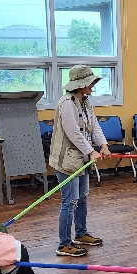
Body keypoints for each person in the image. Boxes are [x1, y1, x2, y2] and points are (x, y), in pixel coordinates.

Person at [50, 65, 110, 257]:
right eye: (90, 82)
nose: (93, 85)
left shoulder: (85, 101)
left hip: (81, 158)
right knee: (70, 202)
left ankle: (81, 234)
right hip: (66, 161)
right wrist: (91, 151)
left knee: (82, 197)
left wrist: (103, 145)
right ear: (80, 84)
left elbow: (94, 125)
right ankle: (64, 244)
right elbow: (73, 132)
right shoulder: (67, 103)